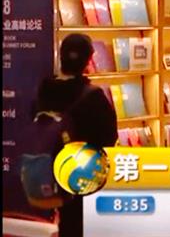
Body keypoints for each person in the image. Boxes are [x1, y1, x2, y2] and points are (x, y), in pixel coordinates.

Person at [35, 34, 118, 236]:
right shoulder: (93, 97)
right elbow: (109, 137)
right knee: (76, 225)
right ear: (88, 60)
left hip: (42, 172)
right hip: (79, 173)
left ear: (61, 56)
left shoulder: (43, 90)